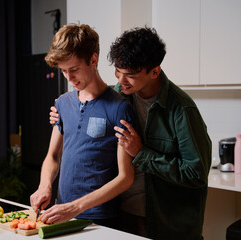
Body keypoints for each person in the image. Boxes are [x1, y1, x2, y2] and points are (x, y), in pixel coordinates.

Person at [50, 27, 212, 240]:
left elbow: (196, 173)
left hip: (166, 222)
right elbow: (97, 104)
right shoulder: (120, 96)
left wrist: (142, 153)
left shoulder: (181, 110)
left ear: (154, 72)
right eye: (118, 71)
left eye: (130, 76)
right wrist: (63, 111)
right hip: (124, 214)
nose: (121, 80)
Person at [30, 24, 135, 228]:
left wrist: (75, 207)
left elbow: (125, 178)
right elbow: (53, 156)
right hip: (61, 212)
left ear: (93, 60)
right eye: (63, 71)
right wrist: (44, 186)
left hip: (100, 219)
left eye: (74, 69)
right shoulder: (62, 103)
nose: (69, 78)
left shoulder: (119, 107)